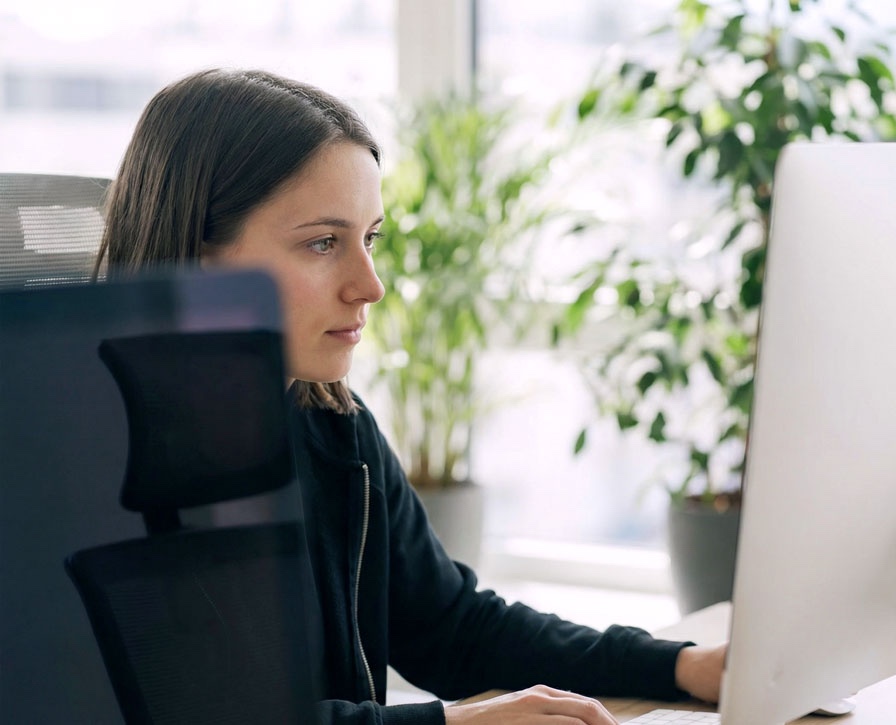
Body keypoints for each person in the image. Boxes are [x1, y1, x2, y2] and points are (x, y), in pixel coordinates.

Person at [94, 68, 726, 725]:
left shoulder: (331, 425)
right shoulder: (99, 462)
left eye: (369, 239)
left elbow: (453, 627)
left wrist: (678, 665)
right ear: (199, 260)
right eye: (322, 243)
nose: (370, 285)